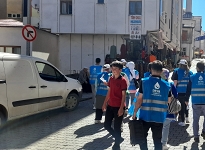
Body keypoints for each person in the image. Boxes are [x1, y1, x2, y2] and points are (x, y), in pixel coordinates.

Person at [133, 60, 171, 150]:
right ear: (162, 70)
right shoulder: (167, 85)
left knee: (142, 137)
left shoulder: (144, 82)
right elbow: (169, 101)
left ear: (150, 69)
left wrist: (135, 112)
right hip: (159, 117)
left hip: (145, 116)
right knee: (157, 140)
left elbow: (140, 99)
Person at [102, 61, 127, 150]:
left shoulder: (123, 81)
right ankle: (118, 138)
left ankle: (117, 145)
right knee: (107, 125)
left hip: (118, 107)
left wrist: (121, 108)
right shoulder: (111, 79)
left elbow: (124, 95)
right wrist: (105, 103)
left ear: (120, 70)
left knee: (117, 127)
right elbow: (109, 92)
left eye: (115, 69)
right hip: (110, 106)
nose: (113, 70)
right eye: (112, 68)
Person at [186, 61, 205, 143]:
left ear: (197, 68)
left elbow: (188, 89)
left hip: (195, 101)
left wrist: (186, 99)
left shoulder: (192, 77)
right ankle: (204, 131)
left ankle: (196, 136)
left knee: (196, 119)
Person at [171, 59, 193, 126]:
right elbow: (191, 82)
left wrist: (173, 91)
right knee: (186, 104)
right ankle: (187, 118)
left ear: (179, 64)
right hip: (187, 91)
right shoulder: (190, 72)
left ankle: (182, 120)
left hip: (179, 91)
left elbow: (175, 82)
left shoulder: (176, 71)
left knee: (180, 105)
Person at [161, 68, 178, 150]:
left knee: (157, 127)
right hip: (168, 109)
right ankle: (163, 144)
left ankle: (157, 143)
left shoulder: (156, 83)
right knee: (166, 127)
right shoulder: (170, 84)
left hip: (156, 110)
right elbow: (176, 94)